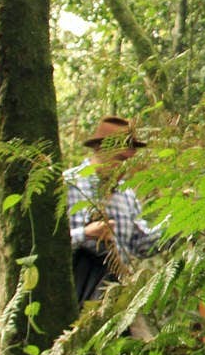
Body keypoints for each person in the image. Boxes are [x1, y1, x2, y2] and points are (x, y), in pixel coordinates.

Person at [66, 115, 162, 305]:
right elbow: (43, 246)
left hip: (114, 301)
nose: (124, 168)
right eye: (119, 159)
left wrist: (179, 226)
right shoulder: (67, 185)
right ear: (100, 149)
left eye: (129, 161)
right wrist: (84, 234)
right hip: (69, 300)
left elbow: (142, 244)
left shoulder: (127, 195)